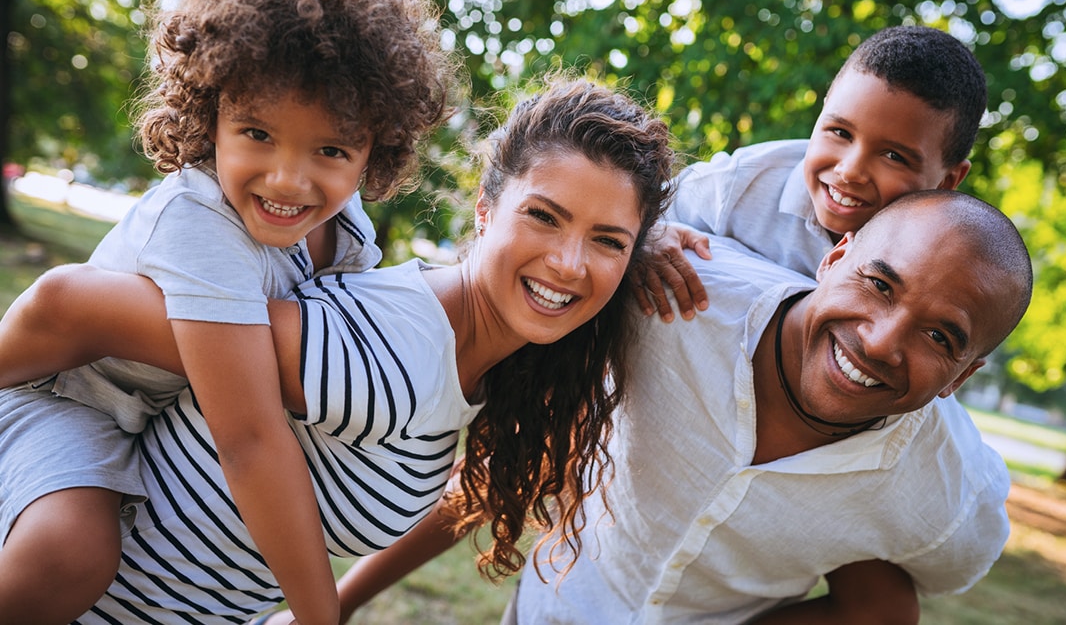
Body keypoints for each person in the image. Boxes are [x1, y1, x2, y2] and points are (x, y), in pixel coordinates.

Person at [0, 77, 676, 623]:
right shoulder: (395, 345)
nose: (566, 261)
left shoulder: (472, 360)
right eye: (545, 215)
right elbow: (73, 307)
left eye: (607, 240)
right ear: (484, 208)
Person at [0, 0, 456, 625]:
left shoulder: (349, 232)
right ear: (210, 115)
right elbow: (248, 440)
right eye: (258, 134)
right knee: (71, 551)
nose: (288, 179)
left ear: (376, 150)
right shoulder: (201, 221)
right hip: (67, 402)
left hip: (141, 432)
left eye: (331, 149)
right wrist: (317, 615)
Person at [330, 189, 1030, 623]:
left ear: (961, 377)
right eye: (879, 284)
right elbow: (516, 462)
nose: (881, 342)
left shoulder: (946, 491)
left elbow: (886, 605)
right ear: (835, 255)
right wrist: (337, 602)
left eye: (940, 337)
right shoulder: (675, 297)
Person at [636, 25, 985, 321]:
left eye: (893, 156)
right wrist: (651, 234)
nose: (850, 171)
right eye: (840, 132)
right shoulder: (739, 184)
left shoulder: (936, 263)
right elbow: (632, 220)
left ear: (948, 180)